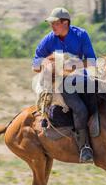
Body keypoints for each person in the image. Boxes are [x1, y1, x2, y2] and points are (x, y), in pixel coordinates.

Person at [32, 8, 97, 163]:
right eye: (51, 23)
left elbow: (92, 61)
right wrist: (49, 62)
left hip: (84, 80)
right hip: (63, 85)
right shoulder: (49, 39)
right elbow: (35, 64)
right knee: (80, 109)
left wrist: (71, 64)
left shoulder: (81, 35)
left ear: (65, 23)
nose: (52, 26)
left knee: (104, 101)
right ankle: (84, 148)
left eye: (55, 23)